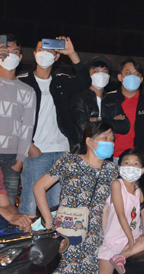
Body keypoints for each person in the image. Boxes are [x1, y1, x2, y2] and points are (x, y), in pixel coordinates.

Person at [33, 121, 118, 274]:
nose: (109, 142)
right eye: (104, 138)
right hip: (67, 234)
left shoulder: (113, 170)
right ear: (89, 141)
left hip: (96, 238)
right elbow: (38, 187)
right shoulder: (69, 161)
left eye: (112, 138)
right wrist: (49, 221)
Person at [18, 38, 90, 216]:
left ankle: (55, 242)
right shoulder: (23, 81)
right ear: (34, 54)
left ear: (57, 56)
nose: (44, 53)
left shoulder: (62, 81)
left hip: (62, 150)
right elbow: (14, 118)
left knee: (59, 206)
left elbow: (85, 81)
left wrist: (72, 53)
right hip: (36, 153)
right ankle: (25, 241)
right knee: (29, 203)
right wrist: (28, 144)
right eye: (40, 49)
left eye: (50, 50)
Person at [0, 35, 36, 206]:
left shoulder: (28, 91)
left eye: (15, 52)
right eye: (6, 51)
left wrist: (19, 162)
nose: (10, 55)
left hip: (11, 160)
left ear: (20, 57)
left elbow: (28, 127)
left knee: (8, 209)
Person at [98, 149, 144, 274]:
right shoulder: (117, 185)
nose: (131, 167)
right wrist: (131, 239)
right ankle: (119, 255)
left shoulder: (139, 189)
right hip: (113, 240)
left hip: (132, 238)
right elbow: (120, 215)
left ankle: (121, 256)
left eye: (136, 164)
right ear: (119, 168)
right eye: (127, 163)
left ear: (142, 170)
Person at [101, 58, 144, 161]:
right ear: (120, 77)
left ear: (141, 79)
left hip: (135, 159)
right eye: (128, 73)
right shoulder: (107, 98)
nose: (132, 77)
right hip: (108, 158)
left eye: (136, 74)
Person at [71, 56, 111, 135]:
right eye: (96, 71)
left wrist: (98, 119)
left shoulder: (112, 99)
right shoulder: (79, 98)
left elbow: (124, 126)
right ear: (88, 74)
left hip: (107, 144)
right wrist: (110, 121)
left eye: (104, 71)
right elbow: (82, 126)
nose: (101, 74)